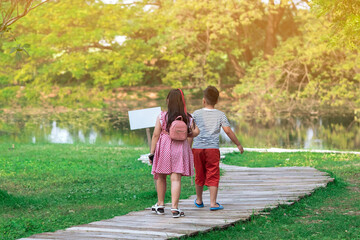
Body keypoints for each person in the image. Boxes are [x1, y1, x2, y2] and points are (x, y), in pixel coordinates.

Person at [149, 89, 200, 218]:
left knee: (161, 176)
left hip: (164, 147)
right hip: (180, 148)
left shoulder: (162, 116)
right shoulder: (188, 117)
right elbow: (196, 132)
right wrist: (186, 133)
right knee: (176, 178)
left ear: (168, 101)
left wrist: (152, 153)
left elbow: (155, 135)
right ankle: (175, 208)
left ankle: (160, 205)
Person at [192, 86, 244, 211]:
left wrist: (188, 148)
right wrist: (238, 144)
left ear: (203, 100)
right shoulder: (221, 115)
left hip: (197, 148)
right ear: (217, 101)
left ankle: (199, 200)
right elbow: (228, 131)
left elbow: (191, 132)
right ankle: (213, 203)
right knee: (213, 174)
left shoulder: (195, 114)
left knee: (199, 173)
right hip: (212, 149)